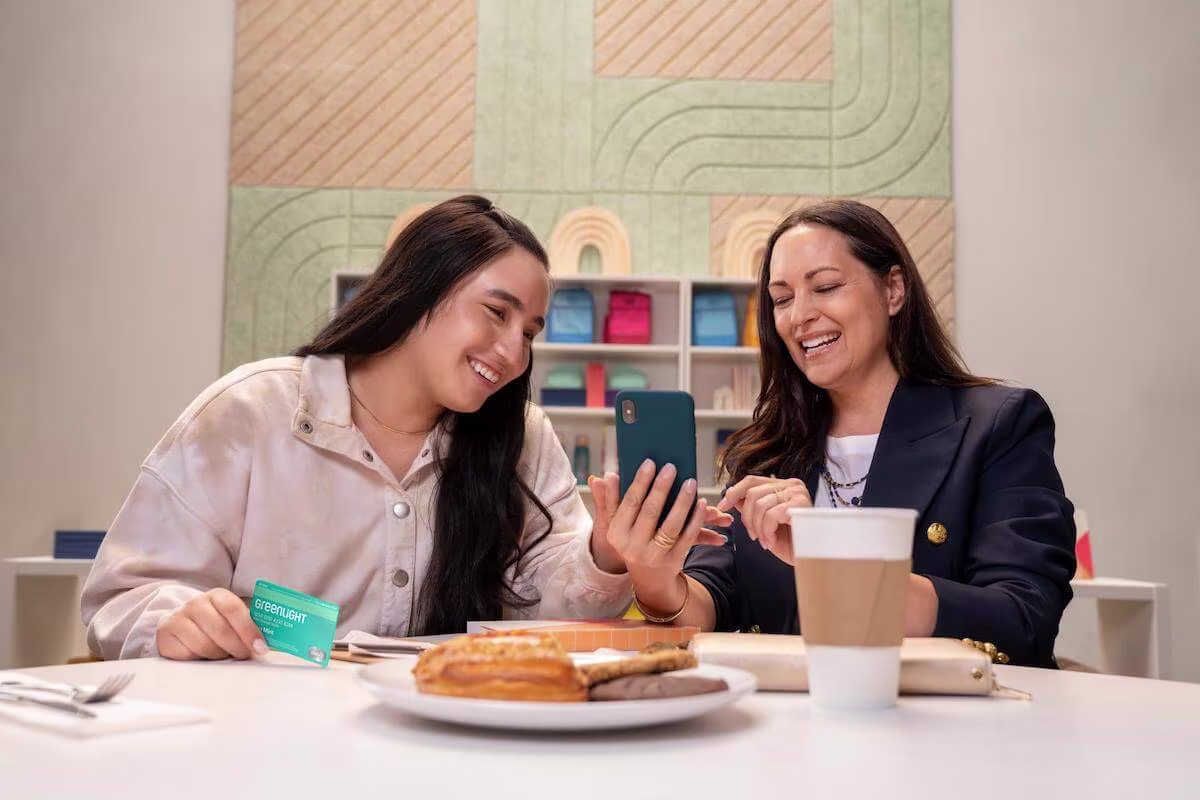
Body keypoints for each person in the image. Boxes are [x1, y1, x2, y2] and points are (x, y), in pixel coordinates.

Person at [82, 195, 633, 661]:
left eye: (530, 332)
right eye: (496, 313)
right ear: (422, 289)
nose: (514, 353)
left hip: (448, 743)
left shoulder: (523, 437)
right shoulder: (250, 411)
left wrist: (605, 553)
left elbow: (549, 612)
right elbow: (119, 598)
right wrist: (178, 620)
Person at [592, 200, 1076, 668]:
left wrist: (827, 556)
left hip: (942, 735)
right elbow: (713, 601)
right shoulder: (764, 452)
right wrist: (653, 574)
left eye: (824, 287)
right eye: (781, 299)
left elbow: (1024, 619)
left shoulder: (998, 423)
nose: (799, 314)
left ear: (893, 290)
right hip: (787, 735)